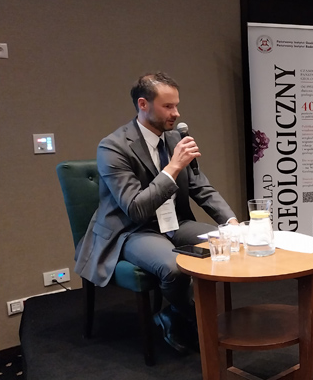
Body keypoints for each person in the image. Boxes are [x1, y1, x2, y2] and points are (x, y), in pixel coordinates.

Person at [74, 72, 237, 355]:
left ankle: (173, 314)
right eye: (168, 106)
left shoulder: (174, 139)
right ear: (143, 104)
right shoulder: (113, 147)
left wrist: (231, 222)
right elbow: (136, 209)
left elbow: (200, 186)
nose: (176, 113)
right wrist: (173, 168)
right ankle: (200, 319)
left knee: (227, 242)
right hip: (131, 230)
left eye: (177, 105)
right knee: (174, 268)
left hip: (173, 222)